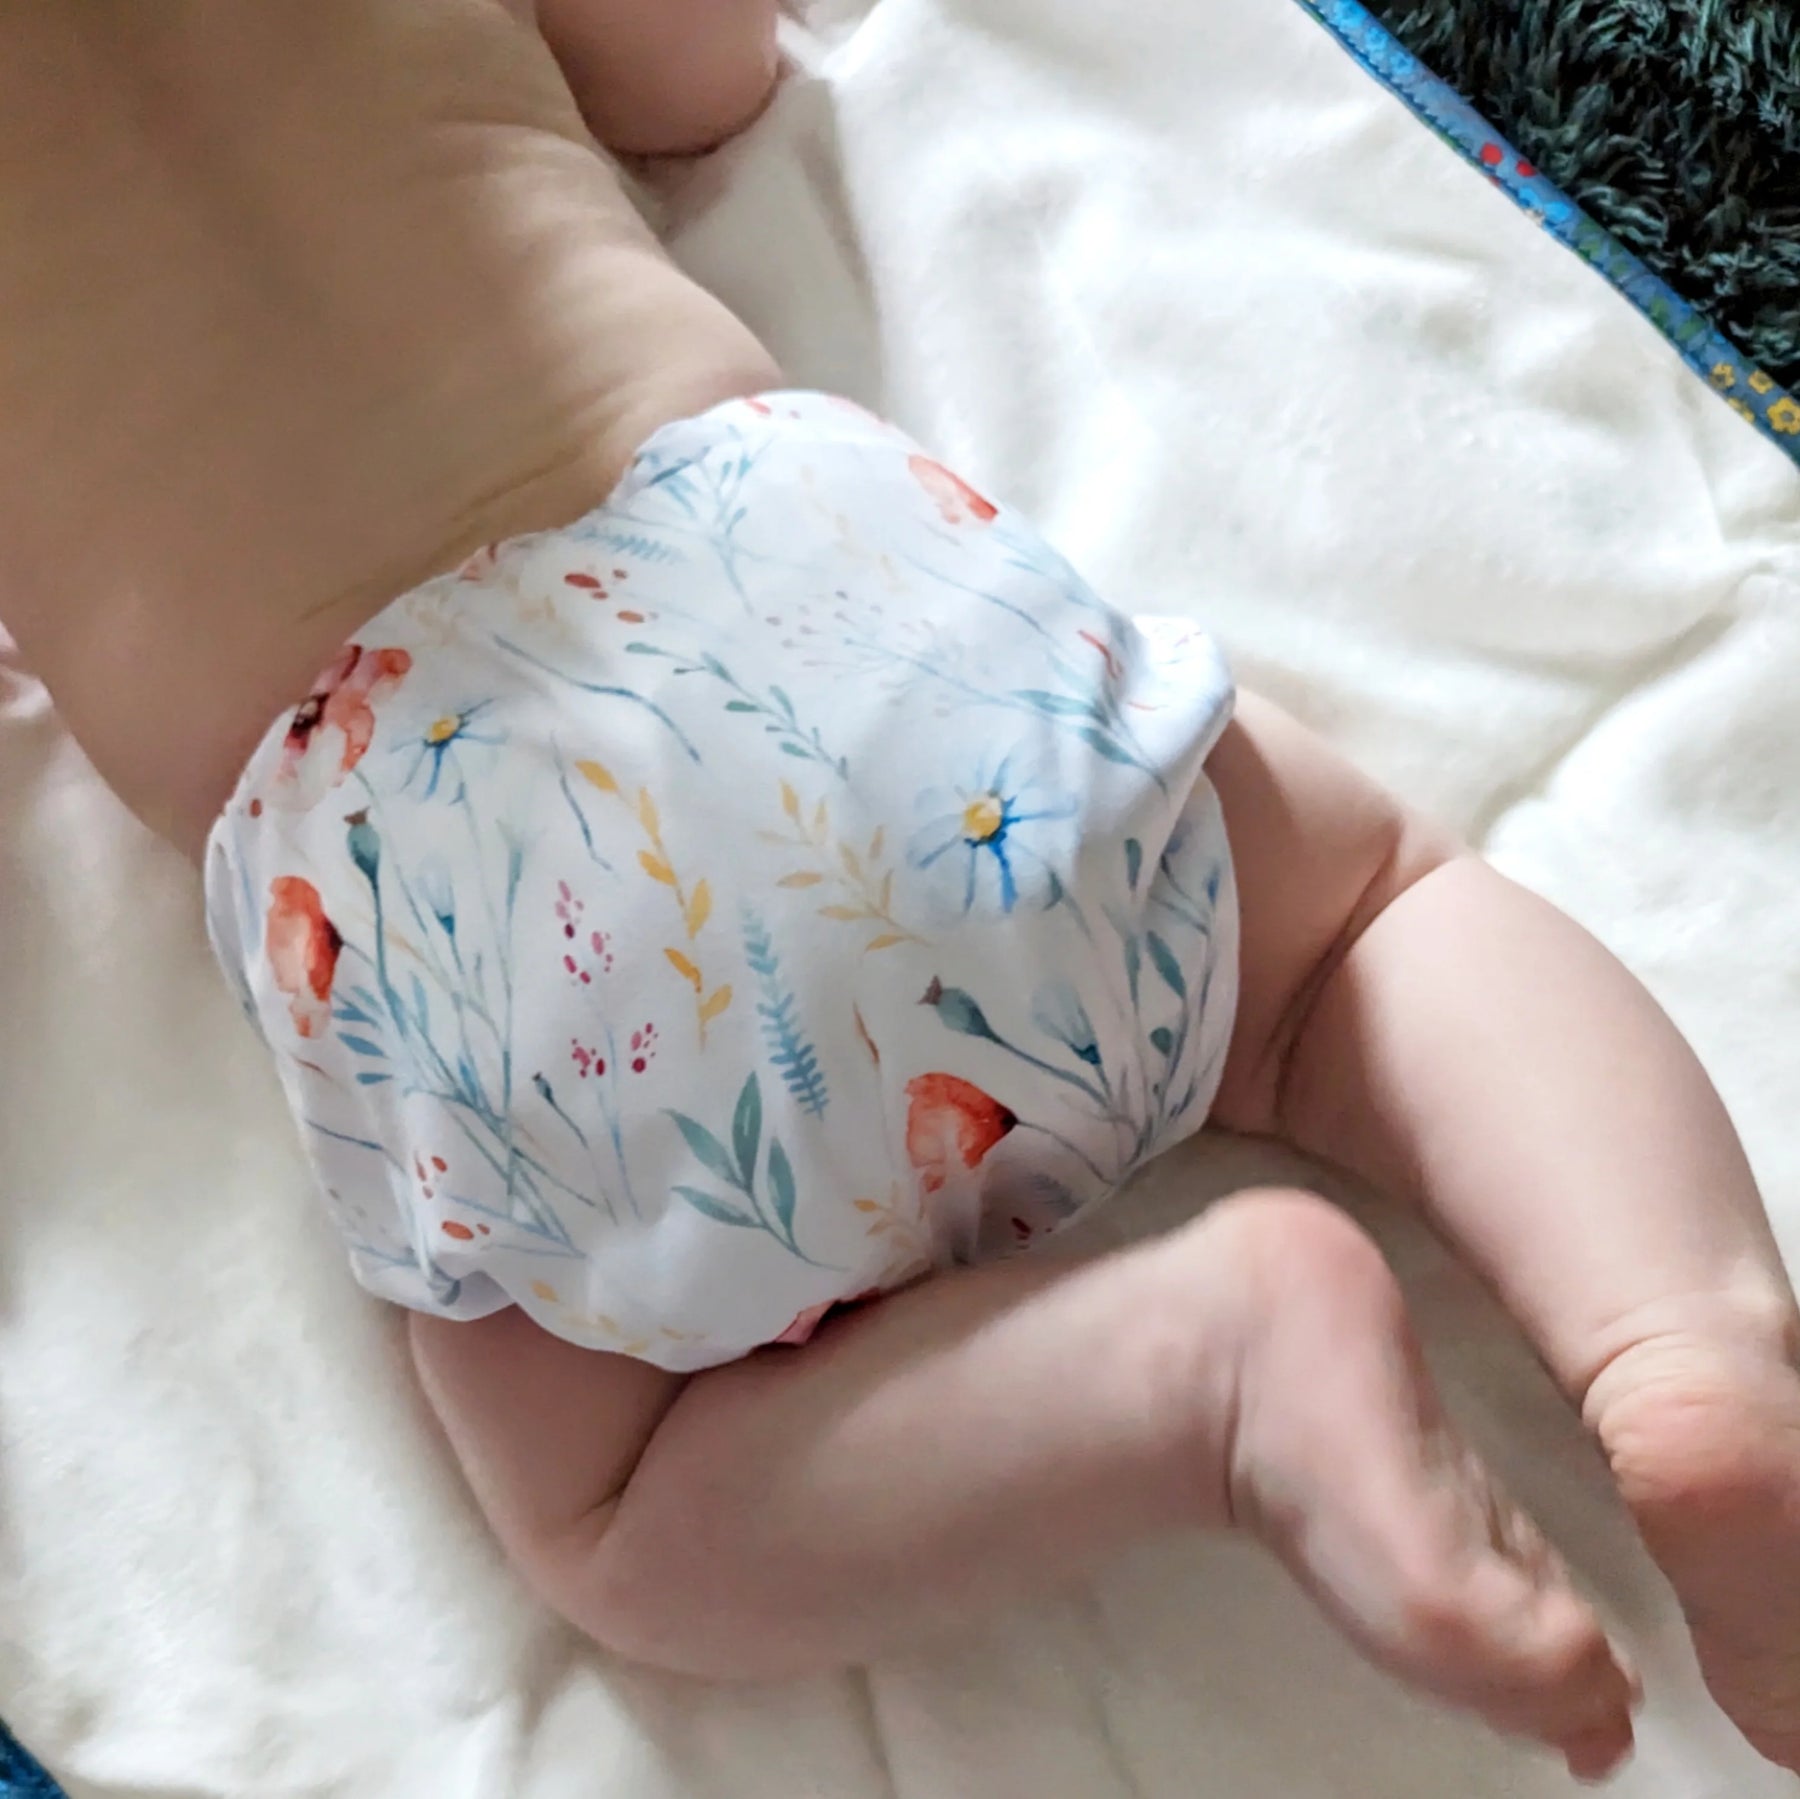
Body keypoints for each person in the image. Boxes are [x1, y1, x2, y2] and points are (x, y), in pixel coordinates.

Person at [3, 4, 1797, 1783]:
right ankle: (1677, 1333)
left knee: (618, 1500)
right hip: (777, 565)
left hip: (430, 850)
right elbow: (705, 77)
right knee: (1359, 937)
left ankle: (1208, 1376)